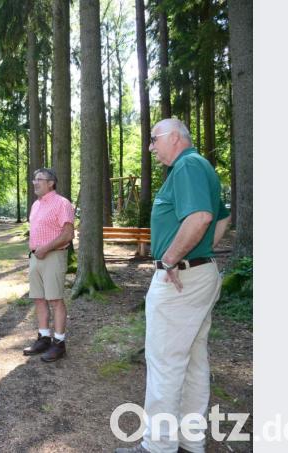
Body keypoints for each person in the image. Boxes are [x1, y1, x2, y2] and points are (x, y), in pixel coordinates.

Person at [115, 118, 230, 453]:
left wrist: (171, 259)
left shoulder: (187, 166)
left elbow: (201, 218)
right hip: (197, 275)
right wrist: (198, 252)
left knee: (165, 363)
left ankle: (158, 446)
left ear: (175, 137)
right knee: (193, 362)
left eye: (154, 139)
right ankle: (190, 442)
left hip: (180, 280)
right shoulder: (199, 166)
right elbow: (222, 217)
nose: (150, 147)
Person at [22, 168, 75, 363]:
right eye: (34, 179)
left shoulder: (62, 203)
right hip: (35, 257)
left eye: (39, 179)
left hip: (54, 256)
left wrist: (46, 248)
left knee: (55, 300)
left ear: (51, 183)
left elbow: (68, 234)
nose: (35, 183)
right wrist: (38, 250)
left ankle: (59, 343)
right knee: (39, 299)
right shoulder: (36, 204)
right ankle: (44, 338)